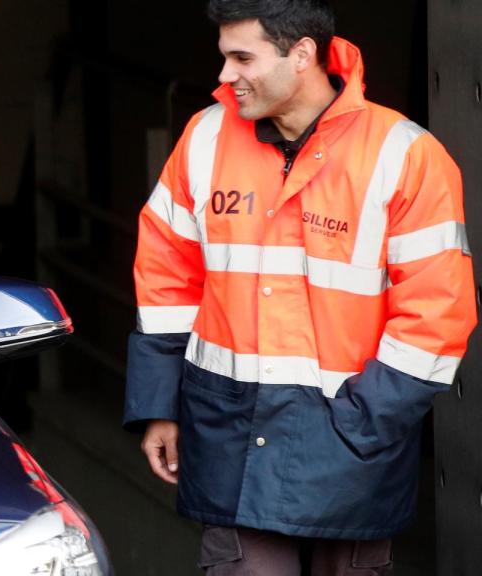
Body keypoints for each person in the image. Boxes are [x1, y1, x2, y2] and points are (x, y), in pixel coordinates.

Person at [124, 1, 475, 574]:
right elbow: (166, 276)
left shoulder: (405, 155)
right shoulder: (205, 136)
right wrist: (159, 405)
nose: (224, 76)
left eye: (242, 57)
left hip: (354, 452)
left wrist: (360, 425)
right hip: (230, 442)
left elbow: (437, 318)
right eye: (223, 57)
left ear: (302, 54)